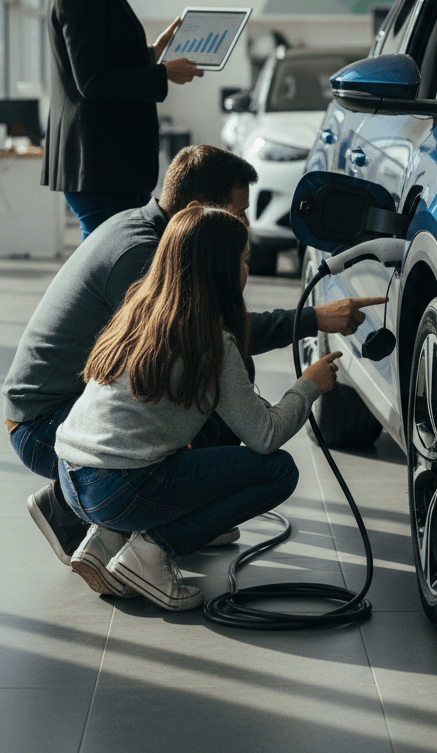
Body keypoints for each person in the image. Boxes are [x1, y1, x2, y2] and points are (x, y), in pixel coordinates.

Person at [4, 144, 385, 576]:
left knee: (224, 383)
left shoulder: (147, 231)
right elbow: (216, 339)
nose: (245, 224)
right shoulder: (142, 255)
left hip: (73, 432)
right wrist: (312, 325)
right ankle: (115, 526)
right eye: (238, 212)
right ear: (197, 211)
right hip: (44, 427)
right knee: (229, 395)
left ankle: (110, 519)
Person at [54, 204, 342, 611]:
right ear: (221, 270)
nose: (247, 270)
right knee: (279, 471)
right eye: (243, 261)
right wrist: (309, 385)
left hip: (70, 479)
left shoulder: (138, 310)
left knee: (170, 447)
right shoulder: (211, 341)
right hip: (119, 489)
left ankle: (104, 540)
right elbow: (265, 437)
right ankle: (151, 551)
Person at [43, 0, 205, 240]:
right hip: (102, 169)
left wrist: (152, 53)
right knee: (114, 268)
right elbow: (94, 81)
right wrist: (163, 73)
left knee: (112, 265)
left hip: (104, 169)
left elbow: (99, 60)